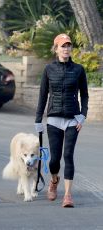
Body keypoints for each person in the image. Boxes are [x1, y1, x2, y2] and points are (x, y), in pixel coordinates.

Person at [35, 33, 89, 208]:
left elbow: (85, 95)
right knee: (54, 159)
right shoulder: (49, 69)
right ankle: (54, 180)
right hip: (54, 119)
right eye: (62, 46)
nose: (66, 48)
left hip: (73, 119)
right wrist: (38, 119)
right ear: (56, 49)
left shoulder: (79, 69)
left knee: (68, 156)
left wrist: (83, 114)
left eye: (68, 45)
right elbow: (43, 96)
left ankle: (67, 195)